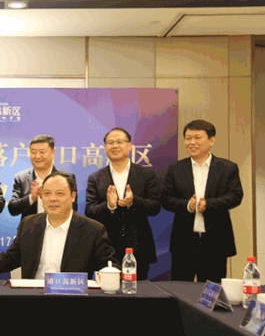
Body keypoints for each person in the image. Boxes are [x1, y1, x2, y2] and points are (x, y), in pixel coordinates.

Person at [0, 172, 119, 278]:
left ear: (73, 196)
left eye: (59, 194)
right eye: (47, 194)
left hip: (72, 298)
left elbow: (110, 266)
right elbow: (9, 259)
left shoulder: (93, 230)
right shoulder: (29, 224)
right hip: (34, 297)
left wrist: (108, 277)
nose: (52, 199)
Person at [161, 120, 243, 283]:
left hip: (215, 242)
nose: (192, 142)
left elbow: (235, 196)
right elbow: (165, 199)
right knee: (181, 289)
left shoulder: (227, 168)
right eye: (188, 138)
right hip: (183, 242)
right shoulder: (176, 168)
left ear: (211, 140)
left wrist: (209, 204)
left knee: (212, 291)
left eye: (197, 138)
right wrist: (187, 205)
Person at [85, 128, 160, 280]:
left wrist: (134, 201)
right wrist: (109, 206)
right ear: (105, 148)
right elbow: (90, 211)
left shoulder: (146, 174)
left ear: (129, 146)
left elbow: (155, 207)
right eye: (110, 142)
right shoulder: (96, 178)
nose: (115, 146)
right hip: (106, 246)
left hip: (138, 246)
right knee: (106, 290)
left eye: (120, 142)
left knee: (137, 290)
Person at [8, 134, 78, 219]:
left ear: (53, 153)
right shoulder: (21, 177)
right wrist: (32, 197)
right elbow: (12, 209)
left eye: (42, 152)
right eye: (33, 152)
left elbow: (74, 207)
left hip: (59, 225)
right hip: (30, 226)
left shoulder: (66, 177)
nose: (37, 156)